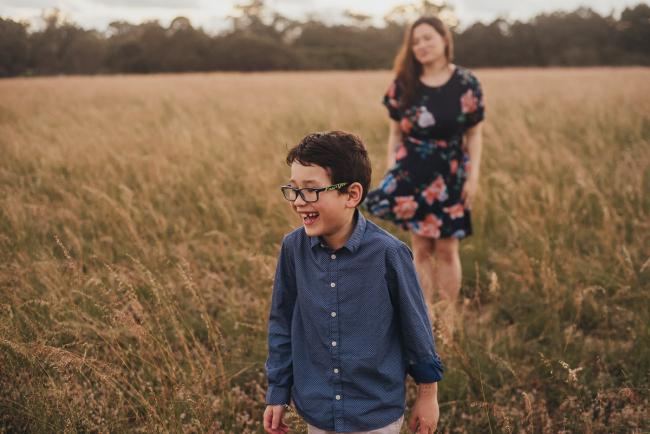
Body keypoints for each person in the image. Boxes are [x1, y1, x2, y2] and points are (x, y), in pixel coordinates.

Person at [263, 131, 444, 434]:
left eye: (311, 190)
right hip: (317, 408)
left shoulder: (389, 253)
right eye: (293, 190)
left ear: (351, 195)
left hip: (375, 412)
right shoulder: (293, 249)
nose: (298, 202)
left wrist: (428, 396)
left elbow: (416, 327)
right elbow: (281, 322)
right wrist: (278, 392)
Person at [363, 16, 485, 325]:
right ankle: (424, 317)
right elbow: (395, 132)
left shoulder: (466, 83)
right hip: (413, 171)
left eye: (427, 38)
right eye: (415, 41)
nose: (421, 46)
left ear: (445, 39)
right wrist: (393, 164)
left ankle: (449, 319)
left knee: (446, 247)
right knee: (420, 246)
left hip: (451, 173)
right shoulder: (405, 83)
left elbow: (474, 133)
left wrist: (473, 178)